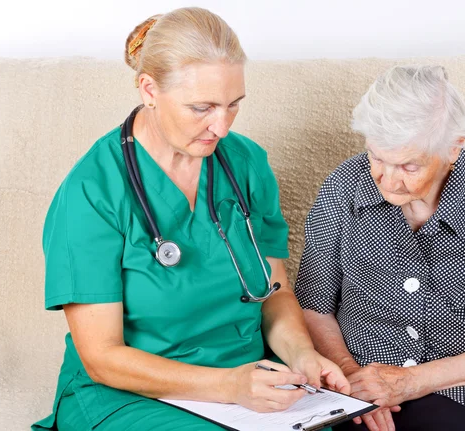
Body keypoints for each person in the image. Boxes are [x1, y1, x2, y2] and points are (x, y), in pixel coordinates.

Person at [32, 7, 348, 430]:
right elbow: (103, 358)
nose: (221, 126)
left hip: (249, 378)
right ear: (149, 89)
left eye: (234, 105)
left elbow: (274, 293)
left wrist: (302, 355)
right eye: (202, 107)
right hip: (134, 393)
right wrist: (228, 387)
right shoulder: (93, 190)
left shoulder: (246, 164)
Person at [295, 65, 465, 431]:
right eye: (377, 157)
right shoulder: (343, 186)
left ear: (453, 148)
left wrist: (407, 383)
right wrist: (355, 380)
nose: (388, 178)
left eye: (409, 165)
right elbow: (314, 306)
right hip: (358, 376)